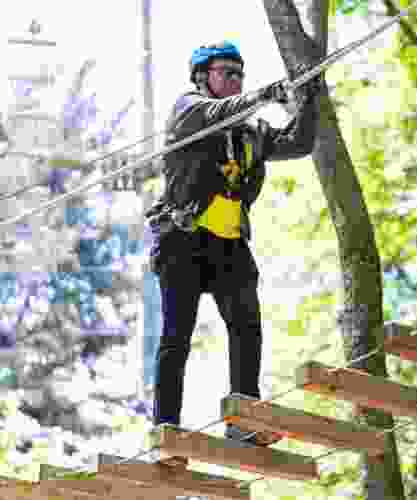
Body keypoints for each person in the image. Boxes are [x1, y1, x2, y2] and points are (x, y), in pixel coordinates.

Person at [144, 41, 322, 461]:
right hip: (183, 241)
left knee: (247, 328)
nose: (236, 80)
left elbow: (298, 143)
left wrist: (308, 99)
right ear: (204, 76)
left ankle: (243, 420)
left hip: (228, 246)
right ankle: (165, 432)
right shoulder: (188, 109)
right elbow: (216, 113)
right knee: (176, 339)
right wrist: (263, 95)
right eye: (227, 73)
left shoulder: (251, 131)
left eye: (240, 74)